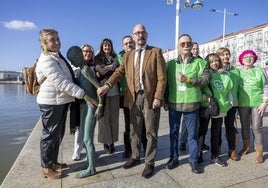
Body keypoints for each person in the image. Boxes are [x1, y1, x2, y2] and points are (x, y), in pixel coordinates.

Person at [97, 24, 167, 178]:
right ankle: (135, 156)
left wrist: (157, 97)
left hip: (149, 98)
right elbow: (118, 72)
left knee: (151, 131)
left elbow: (162, 78)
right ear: (133, 36)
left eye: (142, 33)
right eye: (137, 33)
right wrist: (107, 86)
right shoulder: (128, 55)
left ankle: (149, 162)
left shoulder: (155, 52)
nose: (140, 35)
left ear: (146, 35)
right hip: (133, 97)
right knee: (133, 130)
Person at [36, 28, 97, 179]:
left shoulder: (57, 56)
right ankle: (46, 168)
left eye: (57, 38)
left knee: (57, 134)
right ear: (44, 43)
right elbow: (62, 82)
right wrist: (83, 95)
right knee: (49, 135)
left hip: (60, 101)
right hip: (51, 102)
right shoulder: (46, 60)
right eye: (52, 40)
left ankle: (53, 162)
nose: (57, 42)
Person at [165, 34, 210, 174]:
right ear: (178, 46)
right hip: (174, 103)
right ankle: (173, 158)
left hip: (192, 104)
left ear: (192, 46)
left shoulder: (201, 63)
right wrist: (165, 100)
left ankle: (193, 160)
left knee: (192, 135)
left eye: (188, 43)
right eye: (183, 44)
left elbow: (205, 80)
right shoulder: (170, 64)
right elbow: (165, 84)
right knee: (173, 133)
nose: (186, 46)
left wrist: (189, 80)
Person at [199, 53, 233, 167]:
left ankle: (215, 155)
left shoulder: (224, 75)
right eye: (212, 61)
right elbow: (199, 90)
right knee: (202, 132)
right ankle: (198, 155)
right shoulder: (204, 74)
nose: (215, 63)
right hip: (206, 106)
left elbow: (228, 91)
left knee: (216, 132)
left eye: (217, 61)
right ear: (207, 63)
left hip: (220, 107)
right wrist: (206, 99)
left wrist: (230, 102)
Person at [118, 35, 147, 159]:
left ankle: (145, 147)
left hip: (141, 94)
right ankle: (128, 148)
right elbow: (116, 73)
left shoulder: (140, 55)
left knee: (144, 124)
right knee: (129, 124)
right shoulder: (120, 59)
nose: (129, 45)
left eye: (130, 43)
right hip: (127, 95)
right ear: (123, 46)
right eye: (126, 43)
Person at [238, 50, 268, 163]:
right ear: (241, 59)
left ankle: (259, 151)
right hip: (243, 104)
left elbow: (266, 86)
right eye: (246, 57)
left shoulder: (261, 71)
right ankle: (246, 147)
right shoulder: (238, 72)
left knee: (257, 127)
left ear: (254, 58)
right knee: (245, 127)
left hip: (257, 103)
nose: (248, 58)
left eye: (251, 56)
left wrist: (265, 102)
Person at [179, 41, 209, 152]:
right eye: (194, 48)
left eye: (197, 49)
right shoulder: (184, 62)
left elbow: (205, 79)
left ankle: (201, 143)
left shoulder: (202, 62)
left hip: (202, 95)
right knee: (187, 123)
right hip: (189, 96)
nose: (195, 50)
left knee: (201, 123)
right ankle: (183, 141)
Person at [95, 38, 120, 154]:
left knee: (114, 118)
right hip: (103, 92)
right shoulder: (98, 58)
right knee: (104, 119)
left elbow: (118, 71)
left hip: (115, 91)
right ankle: (106, 142)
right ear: (102, 47)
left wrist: (105, 68)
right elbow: (99, 72)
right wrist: (110, 67)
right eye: (105, 46)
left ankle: (112, 142)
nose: (107, 47)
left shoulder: (116, 57)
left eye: (109, 45)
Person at [71, 44, 96, 161]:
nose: (88, 54)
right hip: (79, 101)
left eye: (90, 52)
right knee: (79, 128)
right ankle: (77, 151)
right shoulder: (75, 68)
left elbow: (98, 86)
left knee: (87, 133)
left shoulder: (91, 68)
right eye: (85, 51)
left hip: (90, 102)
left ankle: (89, 159)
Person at [216, 47, 240, 161]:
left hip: (232, 103)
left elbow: (239, 87)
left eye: (227, 54)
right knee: (218, 127)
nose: (226, 56)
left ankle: (232, 149)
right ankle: (218, 147)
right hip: (220, 103)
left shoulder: (235, 70)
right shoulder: (216, 71)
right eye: (223, 54)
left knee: (230, 126)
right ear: (219, 56)